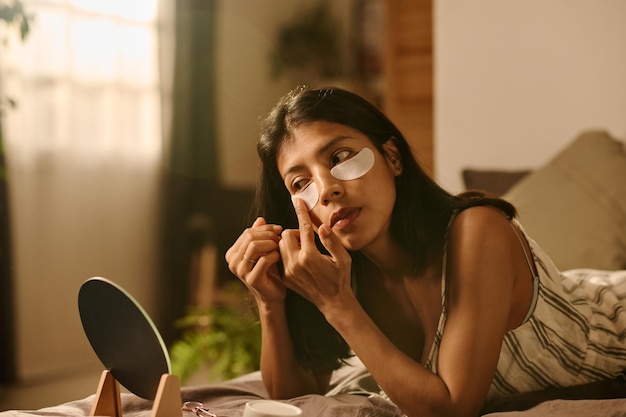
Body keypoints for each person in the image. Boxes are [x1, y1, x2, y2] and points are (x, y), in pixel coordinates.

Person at [225, 86, 626, 417]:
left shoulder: (479, 230)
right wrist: (269, 301)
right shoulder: (340, 268)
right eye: (300, 184)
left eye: (340, 157)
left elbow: (452, 408)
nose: (326, 188)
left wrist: (338, 305)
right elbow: (294, 396)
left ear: (393, 157)